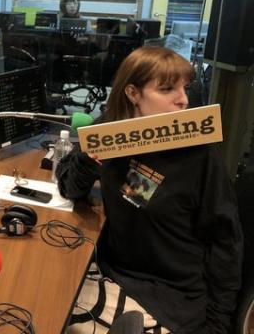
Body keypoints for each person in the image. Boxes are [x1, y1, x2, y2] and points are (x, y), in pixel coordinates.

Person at [57, 46, 242, 333]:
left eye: (185, 88)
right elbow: (69, 186)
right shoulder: (110, 130)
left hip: (169, 296)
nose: (183, 99)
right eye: (167, 89)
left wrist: (218, 325)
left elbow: (226, 243)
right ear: (133, 93)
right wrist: (87, 161)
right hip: (112, 271)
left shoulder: (199, 154)